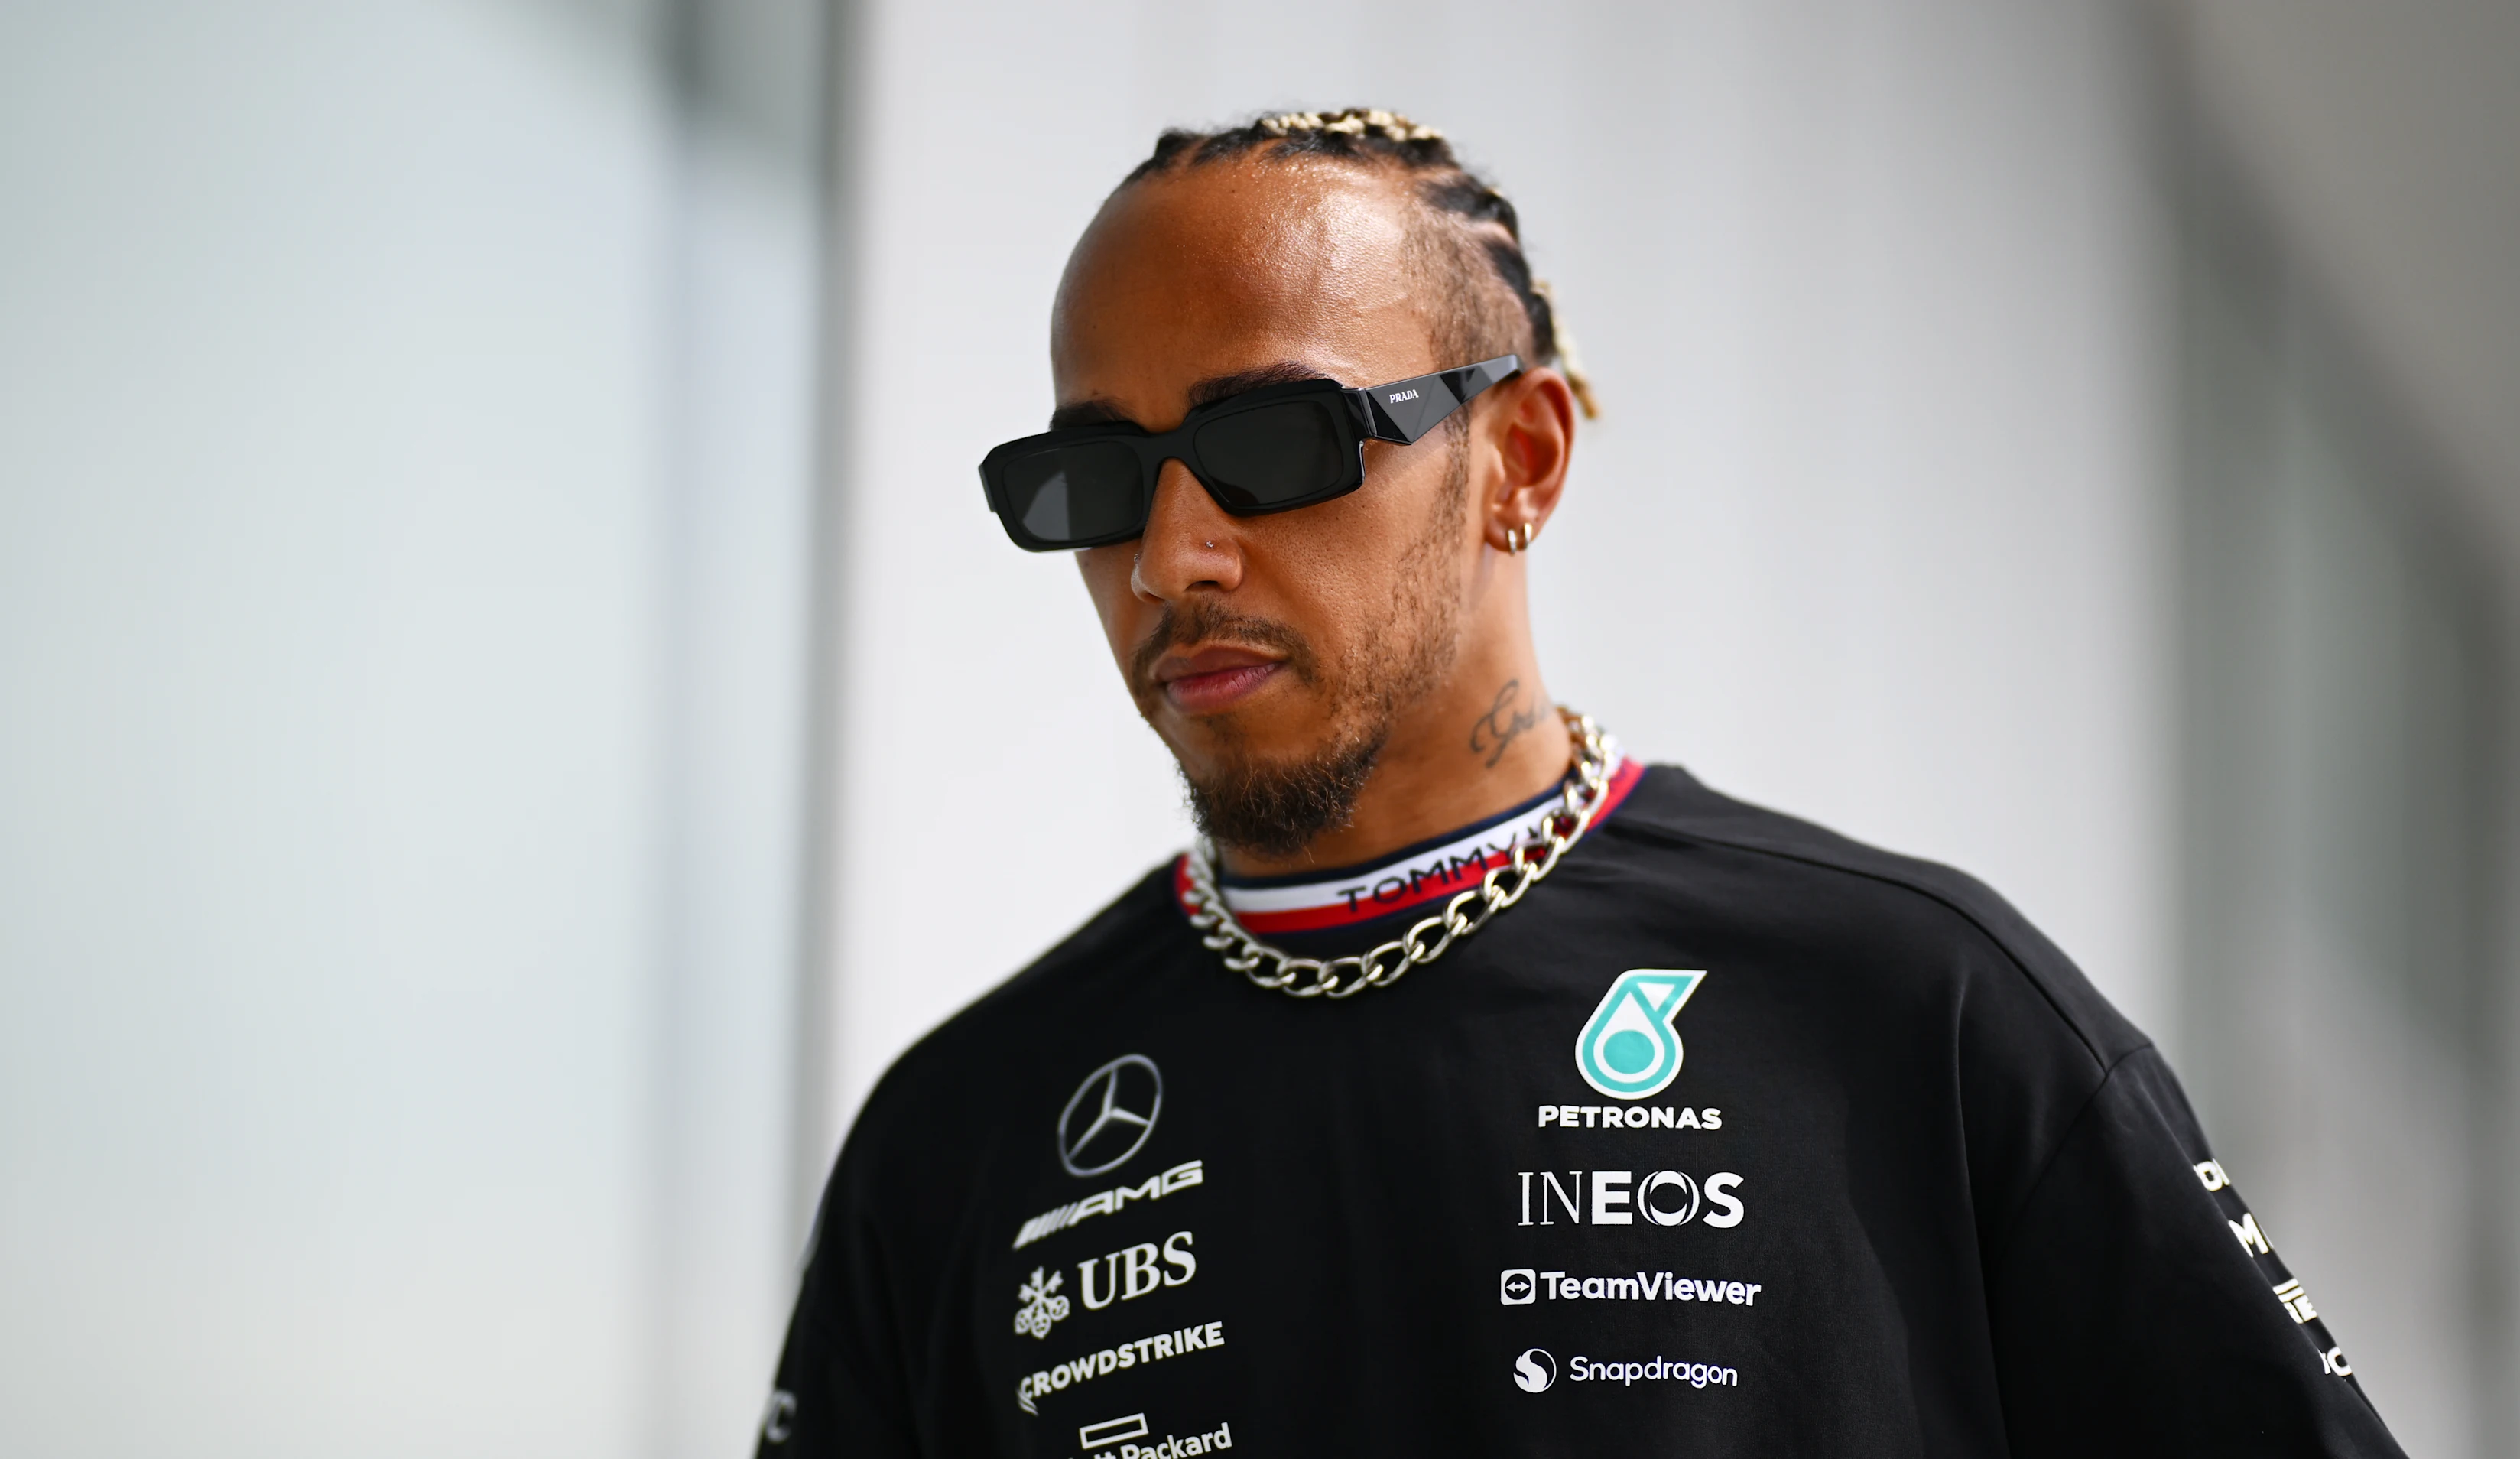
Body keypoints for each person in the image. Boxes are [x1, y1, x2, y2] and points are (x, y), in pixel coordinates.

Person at [759, 107, 2402, 1457]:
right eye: (1097, 478)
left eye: (1275, 445)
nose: (1171, 556)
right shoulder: (955, 1140)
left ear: (1522, 459)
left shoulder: (1916, 1011)